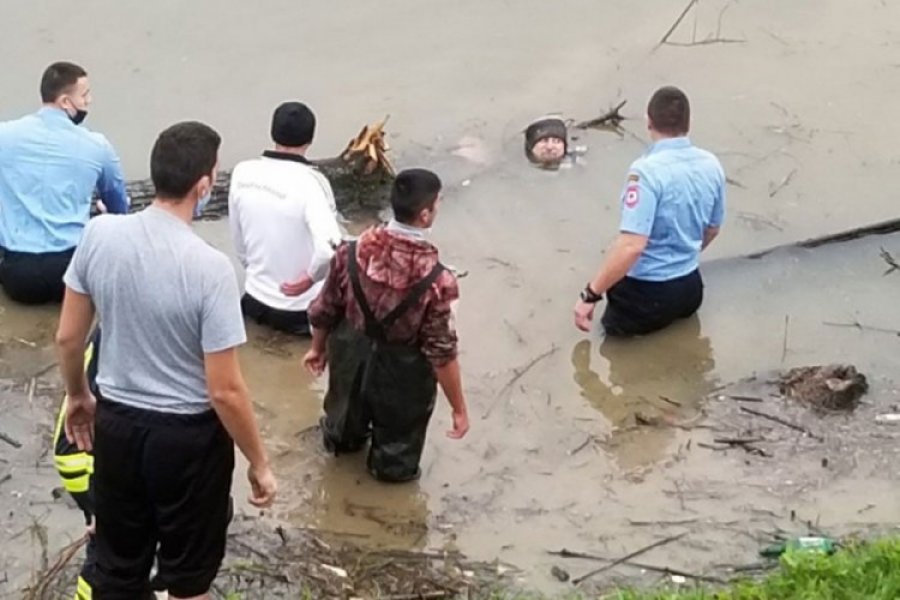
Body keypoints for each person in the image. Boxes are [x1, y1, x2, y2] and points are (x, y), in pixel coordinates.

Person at [55, 121, 277, 599]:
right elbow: (225, 390)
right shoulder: (211, 269)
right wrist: (259, 462)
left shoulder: (99, 235)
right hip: (187, 442)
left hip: (116, 425)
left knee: (118, 567)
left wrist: (78, 395)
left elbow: (69, 338)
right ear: (203, 186)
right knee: (186, 578)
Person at [303, 168, 470, 483]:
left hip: (350, 353)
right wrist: (458, 408)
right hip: (403, 373)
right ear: (425, 215)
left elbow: (324, 308)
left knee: (341, 431)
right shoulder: (439, 280)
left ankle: (339, 473)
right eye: (437, 204)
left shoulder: (350, 252)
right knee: (396, 459)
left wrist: (317, 349)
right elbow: (442, 353)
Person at [574, 86, 725, 336]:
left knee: (611, 353)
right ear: (688, 123)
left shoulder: (644, 173)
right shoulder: (711, 164)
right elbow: (713, 229)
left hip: (645, 296)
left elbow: (632, 246)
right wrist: (681, 256)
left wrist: (590, 295)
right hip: (690, 289)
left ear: (648, 121)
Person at [0, 61, 129, 305]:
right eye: (85, 95)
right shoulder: (97, 145)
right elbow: (118, 205)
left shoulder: (4, 136)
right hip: (70, 271)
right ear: (65, 102)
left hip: (17, 274)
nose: (89, 101)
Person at [229, 101, 342, 336]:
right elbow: (329, 248)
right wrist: (310, 279)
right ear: (310, 139)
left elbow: (238, 239)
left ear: (273, 133)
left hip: (254, 301)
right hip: (300, 310)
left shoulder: (242, 172)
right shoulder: (312, 182)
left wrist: (258, 273)